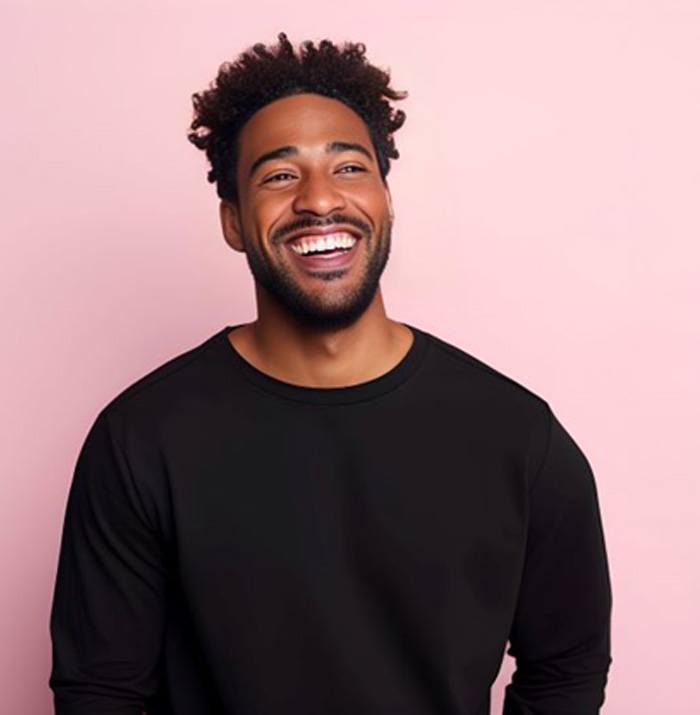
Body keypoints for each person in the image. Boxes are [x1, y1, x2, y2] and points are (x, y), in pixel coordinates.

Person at [48, 31, 613, 715]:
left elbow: (567, 665)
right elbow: (100, 692)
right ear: (232, 219)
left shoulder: (519, 437)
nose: (320, 199)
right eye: (279, 175)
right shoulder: (140, 439)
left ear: (385, 199)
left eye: (349, 168)